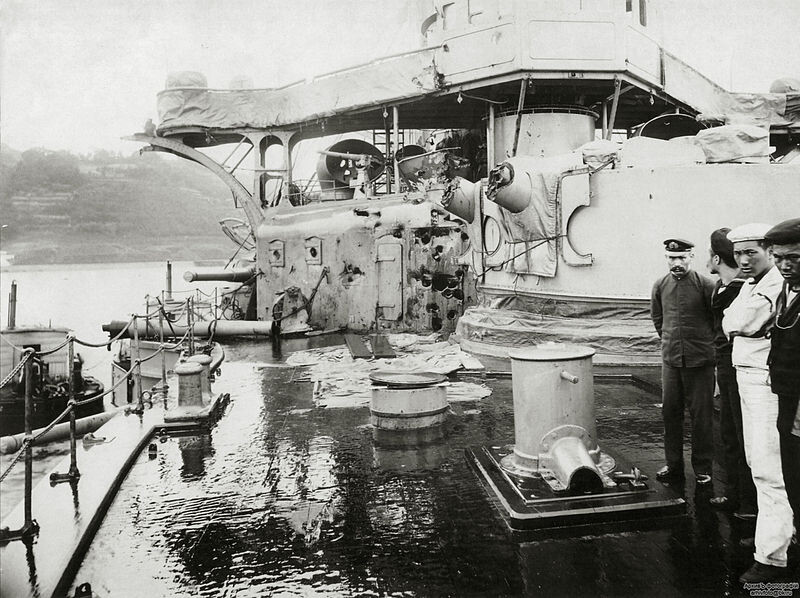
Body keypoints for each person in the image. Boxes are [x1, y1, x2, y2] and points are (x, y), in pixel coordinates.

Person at [722, 222, 793, 584]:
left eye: (752, 252)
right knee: (757, 463)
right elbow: (729, 323)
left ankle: (772, 560)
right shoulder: (754, 284)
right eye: (738, 254)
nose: (743, 260)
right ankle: (776, 534)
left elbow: (738, 322)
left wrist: (735, 322)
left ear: (768, 251)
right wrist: (735, 323)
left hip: (765, 383)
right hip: (748, 379)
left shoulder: (776, 286)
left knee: (769, 470)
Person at [650, 238, 716, 485]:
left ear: (691, 257)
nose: (676, 263)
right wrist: (671, 343)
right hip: (671, 361)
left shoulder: (706, 285)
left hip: (701, 362)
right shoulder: (660, 285)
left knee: (702, 417)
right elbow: (658, 319)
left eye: (681, 258)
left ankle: (702, 468)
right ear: (666, 258)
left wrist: (705, 349)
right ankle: (673, 464)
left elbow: (716, 321)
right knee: (670, 414)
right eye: (671, 258)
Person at [706, 229, 757, 518]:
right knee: (728, 434)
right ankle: (735, 495)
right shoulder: (722, 287)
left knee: (743, 436)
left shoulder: (740, 290)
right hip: (725, 369)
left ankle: (750, 505)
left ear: (715, 257)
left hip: (739, 369)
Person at [764, 218, 800, 538]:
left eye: (794, 258)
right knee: (791, 469)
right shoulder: (787, 290)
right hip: (786, 393)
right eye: (778, 258)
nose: (784, 265)